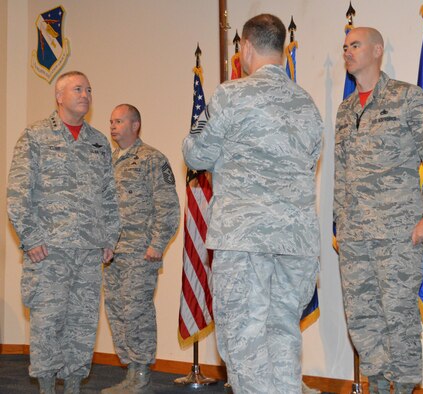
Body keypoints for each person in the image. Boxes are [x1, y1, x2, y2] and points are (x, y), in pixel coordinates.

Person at [183, 13, 323, 394]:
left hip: (244, 238)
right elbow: (311, 160)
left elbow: (196, 155)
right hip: (295, 242)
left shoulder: (231, 94)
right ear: (281, 48)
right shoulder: (306, 103)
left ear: (245, 47)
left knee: (245, 341)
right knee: (282, 336)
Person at [333, 27, 423, 393]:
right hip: (356, 238)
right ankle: (375, 386)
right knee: (362, 321)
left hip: (398, 236)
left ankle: (403, 389)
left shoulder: (408, 98)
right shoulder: (345, 110)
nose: (348, 51)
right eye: (344, 47)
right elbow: (341, 173)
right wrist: (341, 222)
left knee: (399, 321)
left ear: (377, 50)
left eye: (355, 45)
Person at [7, 71, 120, 394]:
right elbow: (17, 192)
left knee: (82, 325)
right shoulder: (35, 136)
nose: (85, 94)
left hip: (88, 251)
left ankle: (72, 387)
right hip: (49, 251)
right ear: (59, 97)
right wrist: (30, 238)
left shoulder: (98, 141)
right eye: (77, 89)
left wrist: (109, 238)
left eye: (88, 89)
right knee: (47, 323)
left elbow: (109, 196)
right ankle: (46, 387)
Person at [102, 104, 180, 394]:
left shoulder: (152, 158)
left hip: (140, 252)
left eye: (119, 121)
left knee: (137, 312)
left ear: (136, 125)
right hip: (112, 254)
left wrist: (157, 244)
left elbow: (168, 207)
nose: (112, 126)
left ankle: (142, 374)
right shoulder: (108, 162)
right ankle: (130, 371)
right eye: (111, 121)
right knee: (117, 311)